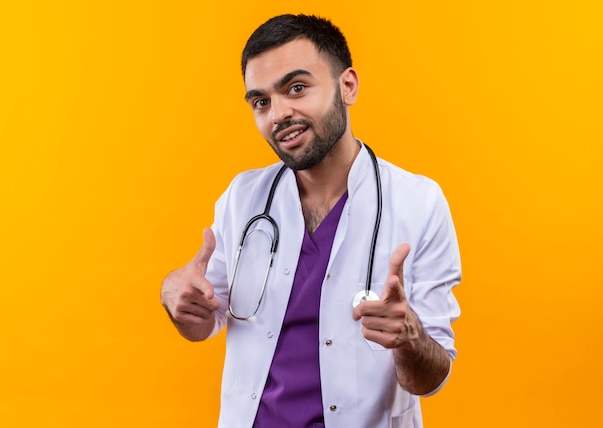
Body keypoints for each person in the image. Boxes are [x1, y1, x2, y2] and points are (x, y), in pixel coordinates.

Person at [161, 13, 461, 428]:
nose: (278, 113)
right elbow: (204, 321)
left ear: (348, 86)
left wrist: (409, 338)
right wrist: (178, 302)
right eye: (261, 101)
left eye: (296, 88)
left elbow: (431, 378)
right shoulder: (241, 199)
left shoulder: (419, 202)